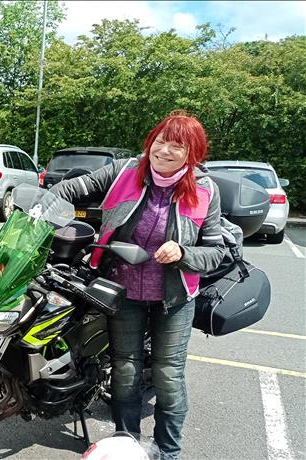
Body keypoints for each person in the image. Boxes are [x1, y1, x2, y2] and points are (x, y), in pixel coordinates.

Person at [50, 110, 225, 460]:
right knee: (125, 370)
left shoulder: (205, 190)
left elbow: (216, 251)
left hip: (173, 298)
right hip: (122, 290)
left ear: (192, 154)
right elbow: (72, 188)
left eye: (176, 146)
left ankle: (168, 452)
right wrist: (43, 208)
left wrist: (183, 252)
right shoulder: (125, 171)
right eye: (160, 141)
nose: (164, 151)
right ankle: (125, 445)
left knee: (168, 376)